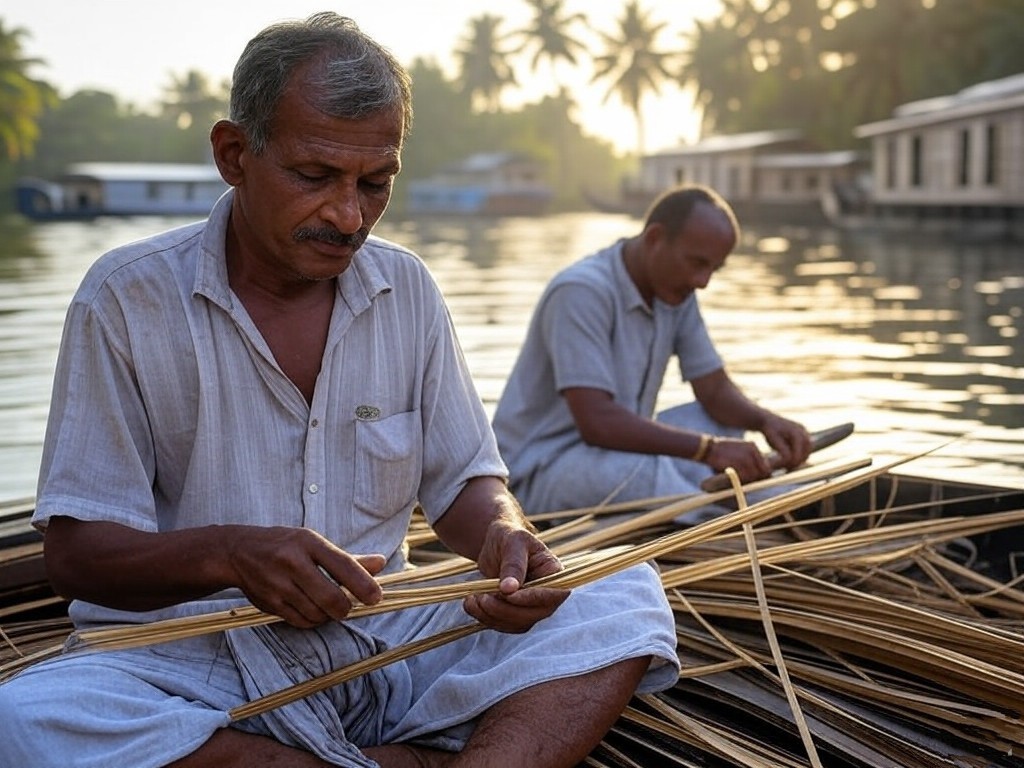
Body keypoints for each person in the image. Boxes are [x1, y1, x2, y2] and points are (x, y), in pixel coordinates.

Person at [0, 13, 679, 768]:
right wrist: (232, 555)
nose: (348, 215)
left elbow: (465, 483)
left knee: (623, 590)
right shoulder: (127, 298)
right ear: (234, 154)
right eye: (314, 176)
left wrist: (503, 537)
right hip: (188, 658)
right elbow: (78, 557)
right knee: (25, 720)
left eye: (375, 182)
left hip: (379, 636)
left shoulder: (408, 289)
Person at [492, 184, 814, 520]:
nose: (703, 281)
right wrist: (709, 450)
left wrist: (765, 421)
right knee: (641, 473)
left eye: (713, 269)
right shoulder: (581, 292)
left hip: (614, 451)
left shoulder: (676, 291)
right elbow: (597, 422)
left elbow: (714, 389)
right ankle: (729, 514)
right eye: (696, 263)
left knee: (720, 424)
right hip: (539, 474)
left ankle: (730, 497)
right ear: (655, 239)